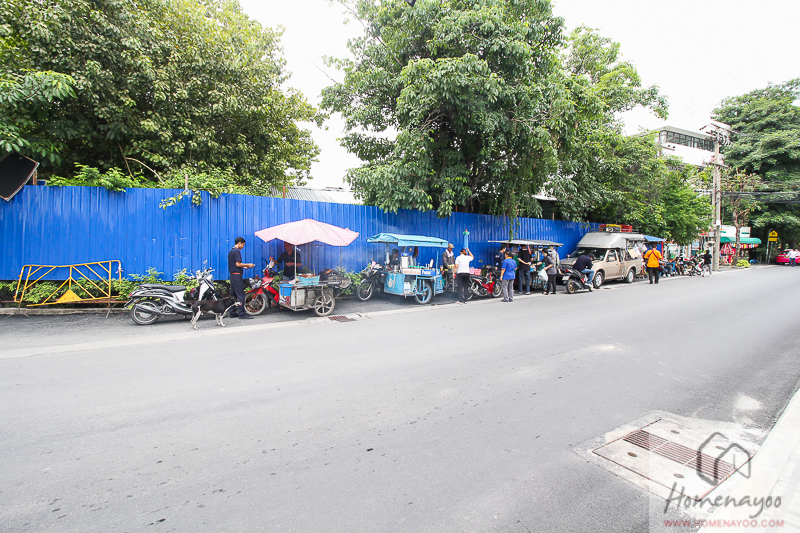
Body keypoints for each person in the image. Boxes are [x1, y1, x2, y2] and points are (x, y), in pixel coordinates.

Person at [228, 237, 255, 319]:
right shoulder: (236, 251)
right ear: (239, 243)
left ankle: (232, 312)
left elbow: (235, 265)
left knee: (233, 294)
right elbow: (238, 264)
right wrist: (248, 264)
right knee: (241, 295)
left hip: (232, 275)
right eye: (243, 245)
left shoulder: (231, 251)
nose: (243, 247)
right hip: (237, 276)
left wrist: (244, 267)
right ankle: (242, 313)